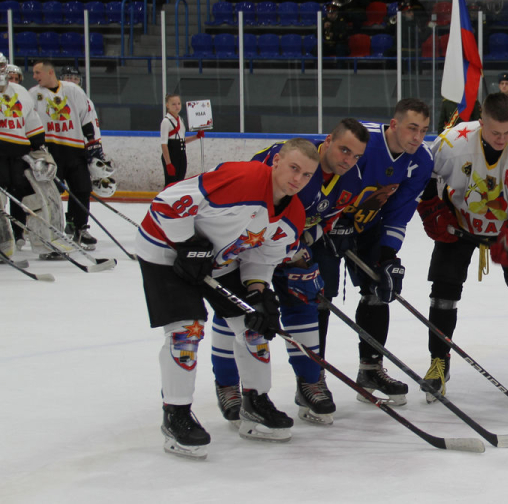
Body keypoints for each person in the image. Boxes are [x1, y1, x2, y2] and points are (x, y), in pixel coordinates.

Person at [135, 138, 318, 459]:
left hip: (218, 261)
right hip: (164, 249)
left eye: (306, 175)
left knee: (254, 326)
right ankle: (175, 414)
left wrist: (258, 291)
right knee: (186, 330)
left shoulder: (293, 218)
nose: (297, 179)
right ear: (275, 161)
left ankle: (256, 402)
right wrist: (186, 242)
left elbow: (261, 259)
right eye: (293, 168)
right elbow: (166, 202)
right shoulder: (243, 179)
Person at [209, 120, 369, 426]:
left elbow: (329, 219)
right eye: (344, 149)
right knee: (234, 309)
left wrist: (305, 240)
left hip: (291, 245)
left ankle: (310, 382)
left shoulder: (353, 180)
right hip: (249, 243)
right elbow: (243, 196)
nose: (348, 160)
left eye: (356, 155)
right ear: (328, 141)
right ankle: (227, 384)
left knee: (304, 300)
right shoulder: (286, 157)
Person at [416, 93, 508, 400]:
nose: (502, 139)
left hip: (505, 229)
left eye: (507, 132)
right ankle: (439, 363)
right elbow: (426, 176)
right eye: (494, 132)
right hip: (458, 226)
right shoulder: (453, 143)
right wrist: (430, 208)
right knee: (443, 293)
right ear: (481, 122)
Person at [312, 100, 435, 407]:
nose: (418, 137)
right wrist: (328, 225)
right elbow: (323, 171)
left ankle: (370, 369)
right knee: (318, 297)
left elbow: (399, 213)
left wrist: (388, 255)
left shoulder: (421, 161)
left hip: (367, 227)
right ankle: (312, 377)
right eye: (411, 128)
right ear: (394, 125)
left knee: (380, 287)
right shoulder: (363, 143)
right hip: (326, 222)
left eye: (423, 130)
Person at [30, 60, 109, 252]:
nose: (34, 76)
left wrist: (93, 146)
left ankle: (78, 226)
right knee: (51, 193)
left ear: (50, 72)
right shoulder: (33, 94)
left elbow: (86, 117)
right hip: (49, 150)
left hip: (74, 148)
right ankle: (52, 230)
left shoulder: (73, 90)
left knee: (82, 188)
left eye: (37, 72)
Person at [0, 53, 51, 260]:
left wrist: (40, 150)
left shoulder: (20, 92)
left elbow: (32, 122)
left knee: (31, 196)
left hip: (20, 155)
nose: (2, 70)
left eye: (3, 65)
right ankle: (3, 245)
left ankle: (42, 242)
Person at [160, 94, 203, 187]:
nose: (177, 106)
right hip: (171, 156)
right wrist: (168, 163)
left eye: (179, 103)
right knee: (170, 183)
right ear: (167, 105)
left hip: (181, 155)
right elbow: (164, 144)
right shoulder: (166, 121)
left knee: (179, 183)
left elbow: (181, 140)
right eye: (173, 104)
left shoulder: (180, 119)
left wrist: (196, 136)